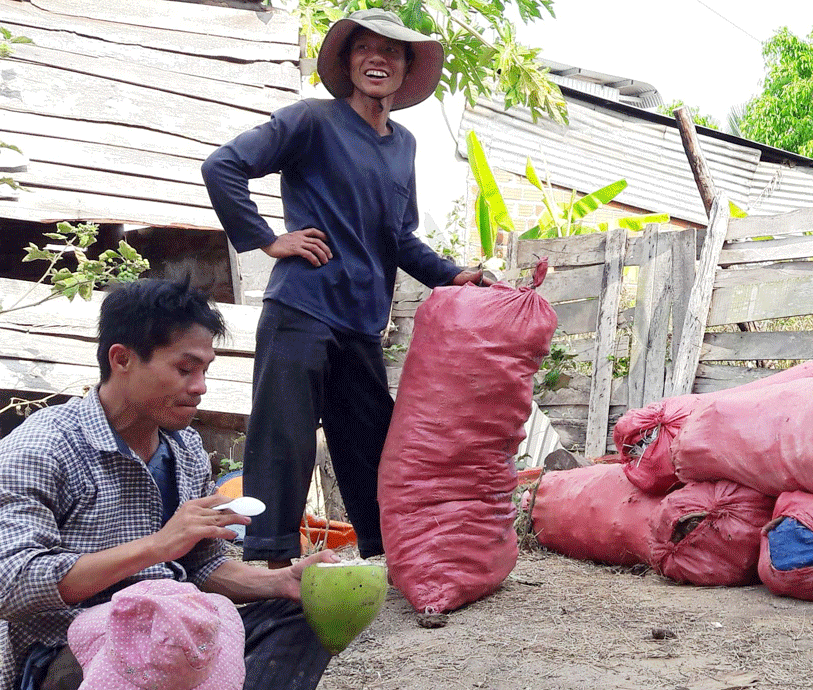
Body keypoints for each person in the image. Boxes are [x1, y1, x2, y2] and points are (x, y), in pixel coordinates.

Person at [201, 8, 492, 569]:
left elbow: (398, 237)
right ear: (348, 61)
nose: (377, 59)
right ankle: (269, 565)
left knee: (371, 446)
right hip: (302, 309)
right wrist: (267, 239)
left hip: (361, 322)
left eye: (392, 51)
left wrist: (452, 274)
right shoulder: (312, 120)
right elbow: (224, 166)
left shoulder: (402, 144)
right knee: (283, 442)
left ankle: (388, 559)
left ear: (407, 69)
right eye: (365, 48)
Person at [0, 278, 340, 690]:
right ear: (122, 359)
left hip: (173, 638)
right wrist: (158, 546)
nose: (200, 387)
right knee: (152, 641)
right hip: (69, 651)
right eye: (184, 369)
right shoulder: (42, 447)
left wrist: (279, 582)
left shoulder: (186, 449)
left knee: (305, 611)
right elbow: (12, 584)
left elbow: (200, 566)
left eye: (204, 370)